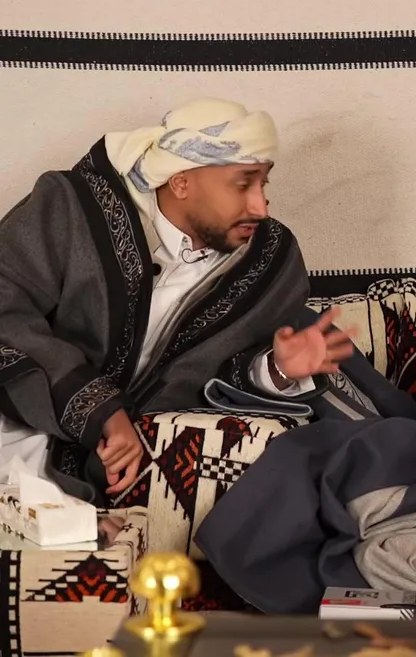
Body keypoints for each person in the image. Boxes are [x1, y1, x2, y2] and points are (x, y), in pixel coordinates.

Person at [0, 97, 352, 503]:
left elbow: (231, 376)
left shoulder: (272, 260)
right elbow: (7, 305)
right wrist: (102, 410)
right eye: (243, 184)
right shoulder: (71, 209)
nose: (261, 206)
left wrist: (277, 369)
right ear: (181, 183)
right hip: (24, 422)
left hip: (155, 462)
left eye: (264, 183)